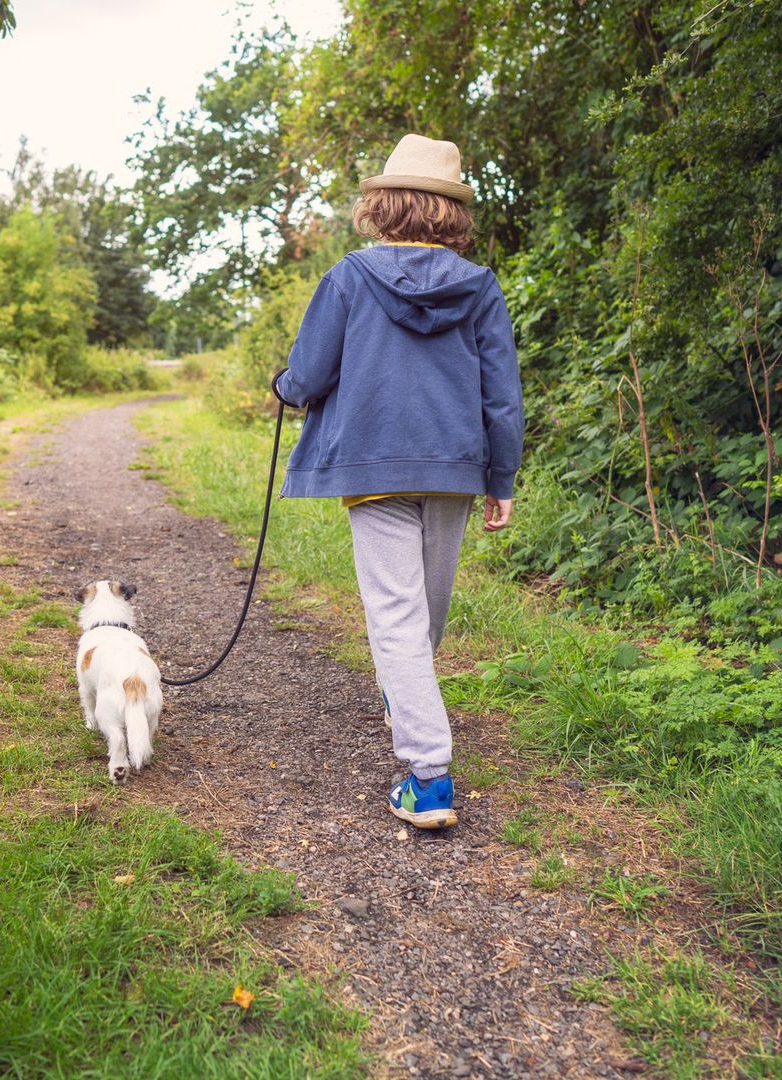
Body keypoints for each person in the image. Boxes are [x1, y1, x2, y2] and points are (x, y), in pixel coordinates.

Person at [271, 133, 524, 830]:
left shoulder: (350, 278)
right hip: (453, 470)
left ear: (381, 204)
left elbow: (310, 372)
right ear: (452, 216)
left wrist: (285, 387)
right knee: (423, 612)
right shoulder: (480, 287)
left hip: (376, 468)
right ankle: (406, 701)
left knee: (399, 616)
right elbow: (500, 396)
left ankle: (429, 778)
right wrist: (501, 476)